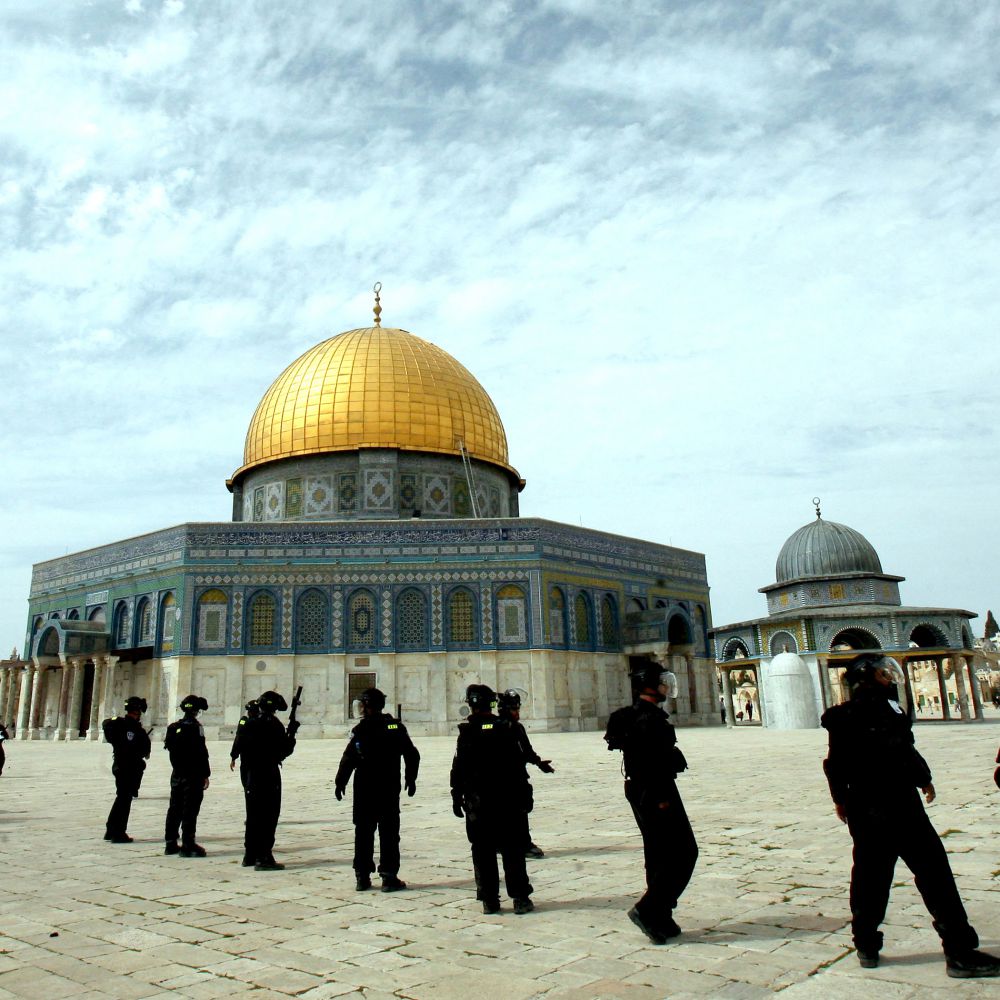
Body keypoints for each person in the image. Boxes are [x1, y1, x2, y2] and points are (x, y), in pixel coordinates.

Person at [822, 654, 1000, 978]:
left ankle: (865, 944)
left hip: (865, 810)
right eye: (883, 674)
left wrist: (841, 801)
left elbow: (834, 764)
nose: (889, 678)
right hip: (901, 808)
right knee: (935, 875)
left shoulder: (841, 716)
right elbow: (903, 751)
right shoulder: (891, 711)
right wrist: (924, 778)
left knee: (869, 878)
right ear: (870, 677)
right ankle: (959, 951)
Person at [604, 663, 697, 945]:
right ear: (650, 685)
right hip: (657, 791)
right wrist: (662, 800)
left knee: (657, 853)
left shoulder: (629, 716)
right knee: (683, 852)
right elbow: (652, 761)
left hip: (640, 789)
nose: (667, 687)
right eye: (662, 682)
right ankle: (649, 910)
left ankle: (661, 914)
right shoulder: (650, 721)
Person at [450, 684, 534, 915]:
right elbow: (519, 764)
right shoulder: (508, 728)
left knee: (482, 850)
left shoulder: (467, 732)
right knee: (513, 849)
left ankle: (489, 899)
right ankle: (520, 898)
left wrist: (456, 795)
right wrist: (526, 795)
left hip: (479, 803)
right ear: (493, 704)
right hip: (508, 800)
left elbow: (459, 768)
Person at [334, 688, 420, 892]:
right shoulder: (394, 727)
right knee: (389, 832)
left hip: (364, 789)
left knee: (363, 832)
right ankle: (389, 877)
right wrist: (411, 778)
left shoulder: (360, 730)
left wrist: (340, 782)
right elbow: (412, 754)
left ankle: (362, 876)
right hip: (388, 788)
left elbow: (349, 759)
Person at [239, 690, 297, 871]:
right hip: (268, 775)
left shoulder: (249, 723)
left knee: (253, 815)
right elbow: (283, 751)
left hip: (251, 774)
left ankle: (249, 855)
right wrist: (292, 734)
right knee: (268, 815)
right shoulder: (274, 724)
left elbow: (241, 747)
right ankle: (264, 857)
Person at [497, 689, 554, 858]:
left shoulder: (516, 727)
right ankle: (518, 843)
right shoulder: (499, 727)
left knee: (517, 809)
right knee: (513, 811)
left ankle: (513, 842)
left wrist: (539, 763)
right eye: (514, 709)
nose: (517, 713)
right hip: (505, 778)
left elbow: (527, 750)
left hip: (514, 776)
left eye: (517, 709)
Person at [163, 695, 211, 857]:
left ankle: (170, 842)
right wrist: (205, 774)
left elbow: (169, 749)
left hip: (177, 774)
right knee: (190, 809)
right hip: (193, 774)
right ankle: (188, 844)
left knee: (174, 807)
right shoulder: (196, 727)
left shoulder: (173, 727)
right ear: (196, 711)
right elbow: (201, 752)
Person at [102, 696, 151, 843]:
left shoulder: (117, 724)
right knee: (125, 799)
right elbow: (145, 750)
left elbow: (107, 724)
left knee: (121, 797)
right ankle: (119, 833)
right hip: (130, 768)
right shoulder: (135, 728)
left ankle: (110, 829)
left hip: (118, 765)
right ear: (137, 712)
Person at [230, 698, 260, 861]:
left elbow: (238, 739)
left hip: (247, 764)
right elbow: (239, 739)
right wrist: (234, 755)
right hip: (252, 765)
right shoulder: (251, 723)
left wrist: (233, 756)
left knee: (249, 792)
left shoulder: (246, 722)